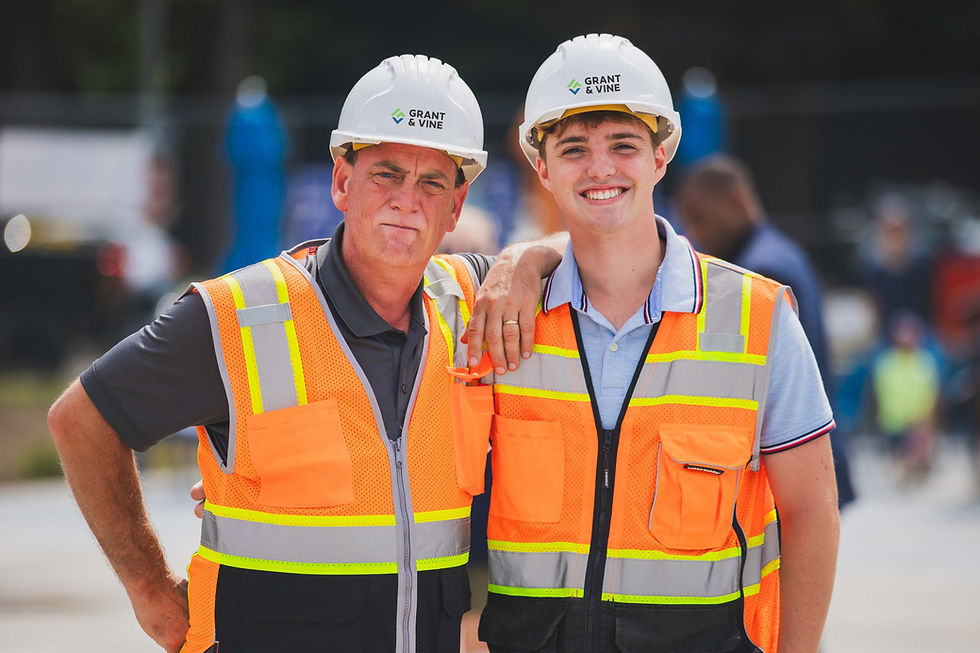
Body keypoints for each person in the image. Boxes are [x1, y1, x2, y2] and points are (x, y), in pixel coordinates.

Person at [47, 54, 559, 653]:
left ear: (456, 206)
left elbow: (595, 253)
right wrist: (151, 593)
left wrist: (529, 258)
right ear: (342, 182)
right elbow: (81, 422)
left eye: (432, 183)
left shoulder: (471, 298)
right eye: (386, 174)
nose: (406, 201)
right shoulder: (236, 315)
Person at [469, 34, 840, 653]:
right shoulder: (500, 312)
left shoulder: (758, 318)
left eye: (623, 145)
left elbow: (810, 509)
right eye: (574, 149)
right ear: (542, 167)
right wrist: (518, 259)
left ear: (662, 155)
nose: (601, 168)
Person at [673, 153, 856, 509]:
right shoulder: (781, 252)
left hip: (788, 463)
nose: (694, 234)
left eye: (701, 219)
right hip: (805, 455)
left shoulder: (761, 272)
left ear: (739, 200)